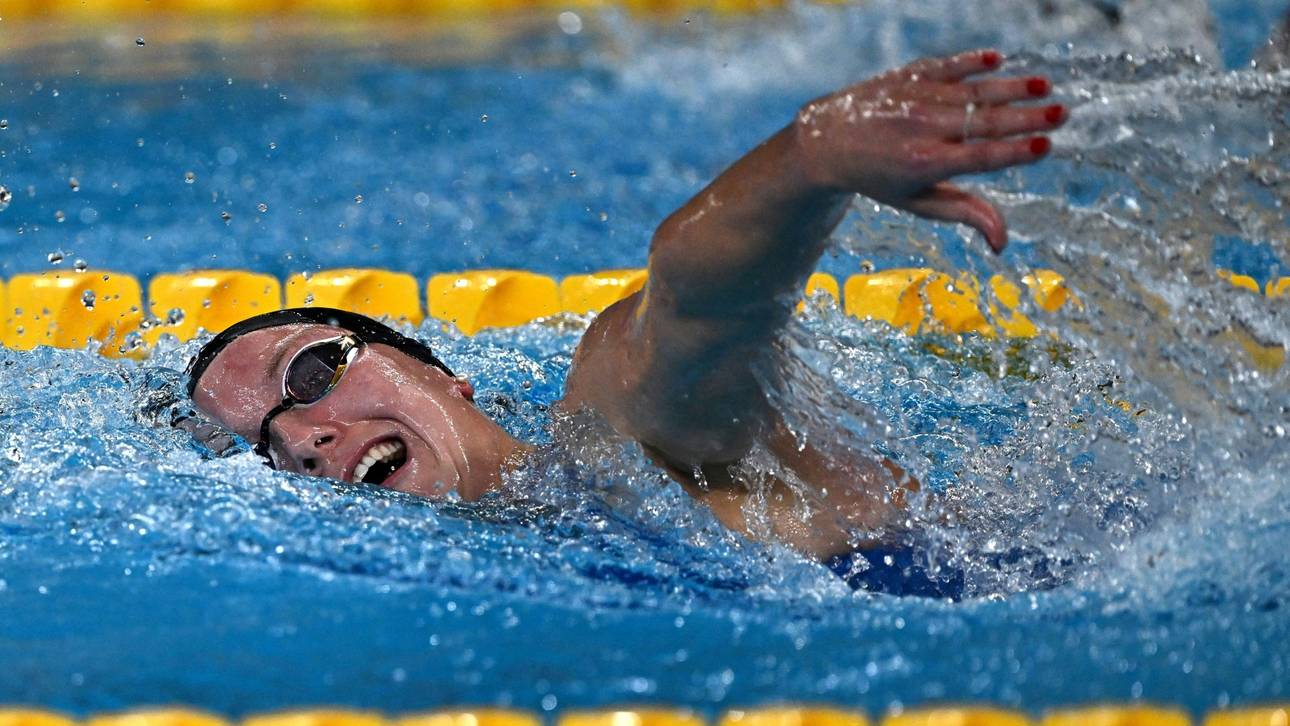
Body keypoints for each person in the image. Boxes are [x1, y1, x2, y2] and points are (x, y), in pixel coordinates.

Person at [185, 49, 1066, 581]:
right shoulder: (508, 564)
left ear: (440, 373)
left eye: (312, 373)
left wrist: (810, 159)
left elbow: (693, 308)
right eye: (266, 449)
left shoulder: (609, 444)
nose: (301, 440)